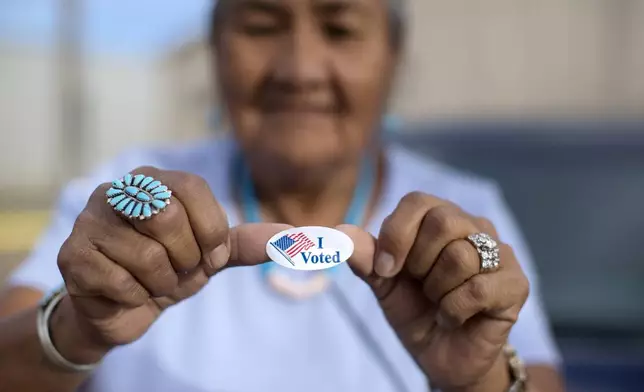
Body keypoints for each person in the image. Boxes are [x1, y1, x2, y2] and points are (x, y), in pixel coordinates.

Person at [0, 0, 565, 391]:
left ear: (393, 59)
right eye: (262, 24)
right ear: (216, 51)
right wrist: (79, 326)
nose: (299, 70)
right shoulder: (133, 191)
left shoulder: (463, 212)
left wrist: (475, 380)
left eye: (340, 29)